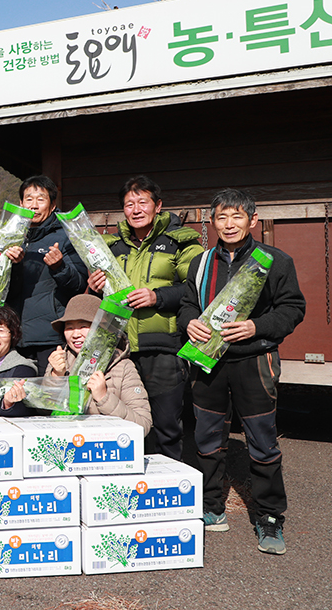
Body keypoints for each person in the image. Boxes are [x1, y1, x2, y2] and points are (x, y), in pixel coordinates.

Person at [179, 189, 305, 555]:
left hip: (255, 360)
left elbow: (293, 308)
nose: (229, 224)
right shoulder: (201, 264)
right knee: (206, 439)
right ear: (213, 222)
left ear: (252, 220)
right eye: (222, 217)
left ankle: (269, 517)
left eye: (236, 216)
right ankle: (212, 506)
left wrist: (257, 326)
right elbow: (188, 303)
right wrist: (189, 323)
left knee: (262, 441)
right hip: (208, 363)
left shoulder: (274, 260)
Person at [87, 175, 204, 461]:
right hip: (120, 349)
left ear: (158, 205)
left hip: (162, 348)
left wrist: (157, 297)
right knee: (121, 422)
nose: (136, 209)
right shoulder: (110, 247)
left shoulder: (181, 242)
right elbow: (97, 295)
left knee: (166, 426)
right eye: (129, 204)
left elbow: (196, 286)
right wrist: (92, 284)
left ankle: (170, 487)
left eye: (143, 202)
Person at [2, 295, 153, 433]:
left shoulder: (122, 366)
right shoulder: (60, 361)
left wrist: (104, 397)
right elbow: (43, 415)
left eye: (83, 326)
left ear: (102, 330)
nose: (75, 334)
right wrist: (56, 378)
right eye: (69, 327)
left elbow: (143, 425)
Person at [4, 175, 88, 374]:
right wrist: (12, 266)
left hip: (49, 336)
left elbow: (79, 285)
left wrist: (59, 267)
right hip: (15, 335)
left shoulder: (67, 235)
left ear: (52, 205)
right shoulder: (9, 236)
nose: (33, 205)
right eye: (29, 199)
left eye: (40, 199)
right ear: (20, 203)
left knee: (49, 394)